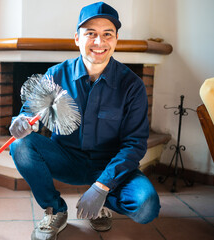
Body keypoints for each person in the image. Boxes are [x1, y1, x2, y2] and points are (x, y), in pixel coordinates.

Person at [9, 2, 161, 239]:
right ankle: (55, 210)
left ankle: (102, 204)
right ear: (77, 39)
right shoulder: (56, 75)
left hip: (110, 165)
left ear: (116, 40)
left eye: (107, 34)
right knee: (20, 146)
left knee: (146, 206)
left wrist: (102, 187)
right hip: (67, 159)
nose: (99, 42)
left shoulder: (132, 86)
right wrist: (22, 120)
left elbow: (135, 144)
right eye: (90, 34)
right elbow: (30, 112)